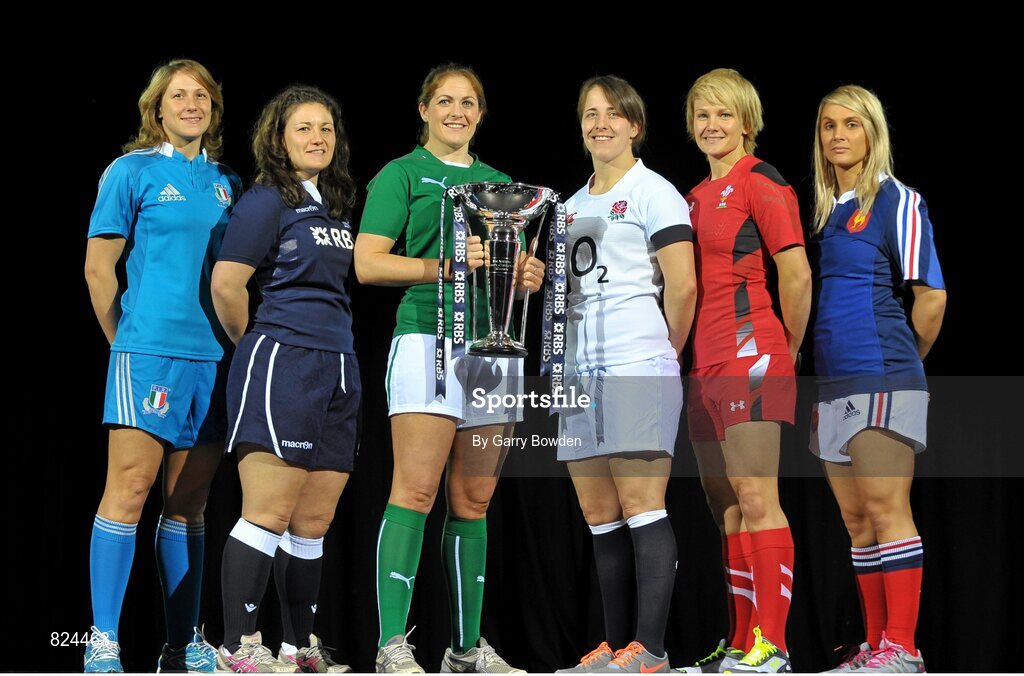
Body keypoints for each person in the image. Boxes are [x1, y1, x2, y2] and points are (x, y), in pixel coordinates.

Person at [354, 63, 543, 674]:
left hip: (493, 350)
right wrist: (449, 264)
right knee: (414, 490)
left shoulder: (500, 183)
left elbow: (506, 263)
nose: (456, 112)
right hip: (425, 342)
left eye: (468, 103)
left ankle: (464, 650)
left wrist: (525, 276)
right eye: (444, 101)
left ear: (481, 113)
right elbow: (369, 264)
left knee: (474, 497)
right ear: (424, 109)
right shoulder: (400, 174)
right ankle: (391, 645)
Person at [83, 58, 240, 674]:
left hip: (215, 359)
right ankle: (102, 640)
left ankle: (182, 645)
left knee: (190, 501)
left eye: (201, 95)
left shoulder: (228, 181)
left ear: (213, 108)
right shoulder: (131, 171)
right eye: (179, 95)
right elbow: (99, 270)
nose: (191, 104)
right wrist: (125, 341)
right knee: (129, 489)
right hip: (148, 355)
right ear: (157, 107)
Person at [211, 84, 360, 673]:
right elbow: (228, 284)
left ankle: (300, 647)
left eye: (325, 128)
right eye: (304, 128)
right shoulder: (266, 199)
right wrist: (257, 344)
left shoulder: (335, 203)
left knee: (313, 521)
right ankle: (238, 646)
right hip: (283, 359)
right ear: (278, 137)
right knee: (268, 512)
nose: (317, 138)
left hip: (339, 366)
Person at [554, 75, 696, 675]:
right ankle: (615, 648)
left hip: (638, 363)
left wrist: (665, 352)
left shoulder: (654, 191)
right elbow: (564, 294)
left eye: (614, 113)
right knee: (599, 513)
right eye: (591, 113)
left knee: (642, 505)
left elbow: (683, 285)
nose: (601, 123)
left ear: (635, 125)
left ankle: (652, 649)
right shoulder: (565, 206)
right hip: (579, 372)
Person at [810, 85, 944, 673]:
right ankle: (874, 649)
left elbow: (932, 298)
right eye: (829, 125)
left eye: (852, 125)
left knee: (888, 510)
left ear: (873, 132)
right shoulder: (827, 209)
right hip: (833, 384)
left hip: (882, 374)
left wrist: (901, 360)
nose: (838, 135)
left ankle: (904, 649)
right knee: (857, 519)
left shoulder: (897, 200)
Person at [680, 68, 810, 674]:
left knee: (758, 496)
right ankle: (740, 642)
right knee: (725, 503)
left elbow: (797, 274)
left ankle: (774, 646)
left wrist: (783, 346)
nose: (713, 126)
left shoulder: (763, 182)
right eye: (704, 115)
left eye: (725, 115)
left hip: (751, 354)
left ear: (747, 122)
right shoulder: (693, 196)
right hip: (702, 365)